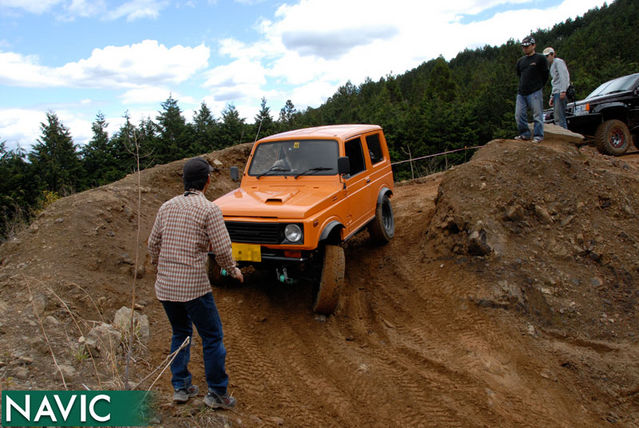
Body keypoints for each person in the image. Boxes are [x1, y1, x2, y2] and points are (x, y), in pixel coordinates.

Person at [148, 157, 243, 409]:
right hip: (192, 287)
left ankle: (181, 387)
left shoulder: (166, 207)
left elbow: (152, 244)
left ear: (184, 181)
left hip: (166, 287)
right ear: (208, 181)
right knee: (212, 336)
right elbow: (222, 249)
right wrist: (232, 270)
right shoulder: (210, 210)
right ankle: (217, 393)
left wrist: (158, 265)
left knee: (180, 333)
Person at [515, 36, 549, 142]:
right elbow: (519, 74)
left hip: (535, 91)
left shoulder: (540, 58)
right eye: (523, 47)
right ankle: (525, 134)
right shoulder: (521, 61)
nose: (525, 48)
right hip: (522, 92)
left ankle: (538, 135)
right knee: (519, 114)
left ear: (533, 45)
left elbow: (545, 74)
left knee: (537, 114)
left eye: (527, 46)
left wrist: (539, 85)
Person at [543, 47, 570, 129]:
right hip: (556, 92)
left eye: (548, 56)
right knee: (557, 116)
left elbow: (564, 76)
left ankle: (564, 135)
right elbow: (554, 82)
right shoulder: (552, 65)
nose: (547, 58)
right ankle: (562, 134)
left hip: (560, 92)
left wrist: (563, 90)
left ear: (552, 54)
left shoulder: (558, 62)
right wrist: (552, 96)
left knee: (560, 116)